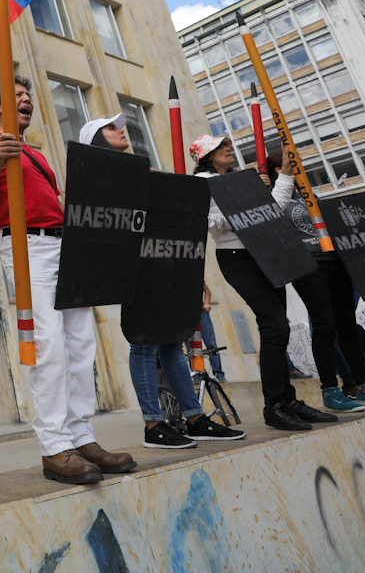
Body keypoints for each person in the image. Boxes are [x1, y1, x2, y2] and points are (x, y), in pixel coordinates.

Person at [0, 83, 136, 485]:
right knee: (49, 345)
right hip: (25, 245)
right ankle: (54, 446)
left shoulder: (37, 152)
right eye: (17, 95)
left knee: (81, 344)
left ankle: (81, 437)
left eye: (29, 94)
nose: (27, 99)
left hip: (63, 244)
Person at [80, 115, 244, 450]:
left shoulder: (138, 172)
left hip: (162, 263)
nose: (121, 129)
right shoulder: (100, 175)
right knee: (143, 342)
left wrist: (190, 273)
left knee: (172, 340)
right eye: (111, 128)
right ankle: (153, 425)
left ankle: (195, 419)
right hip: (135, 266)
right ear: (95, 139)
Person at [190, 135, 337, 432]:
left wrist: (284, 174)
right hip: (237, 257)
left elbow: (273, 210)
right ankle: (275, 406)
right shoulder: (202, 183)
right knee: (275, 325)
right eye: (220, 147)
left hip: (267, 251)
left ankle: (288, 401)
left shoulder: (241, 180)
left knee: (276, 325)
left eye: (227, 145)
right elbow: (205, 221)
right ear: (206, 156)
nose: (228, 149)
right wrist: (242, 209)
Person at [260, 156, 365, 413]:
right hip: (308, 266)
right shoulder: (273, 195)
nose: (303, 169)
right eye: (296, 164)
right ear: (279, 168)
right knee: (324, 326)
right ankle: (330, 390)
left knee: (347, 326)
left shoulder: (307, 193)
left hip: (336, 260)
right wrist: (261, 190)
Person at [197, 282, 225, 381]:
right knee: (194, 347)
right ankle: (197, 374)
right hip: (188, 318)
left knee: (211, 344)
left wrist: (206, 303)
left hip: (202, 314)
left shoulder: (194, 275)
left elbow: (207, 290)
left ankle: (219, 373)